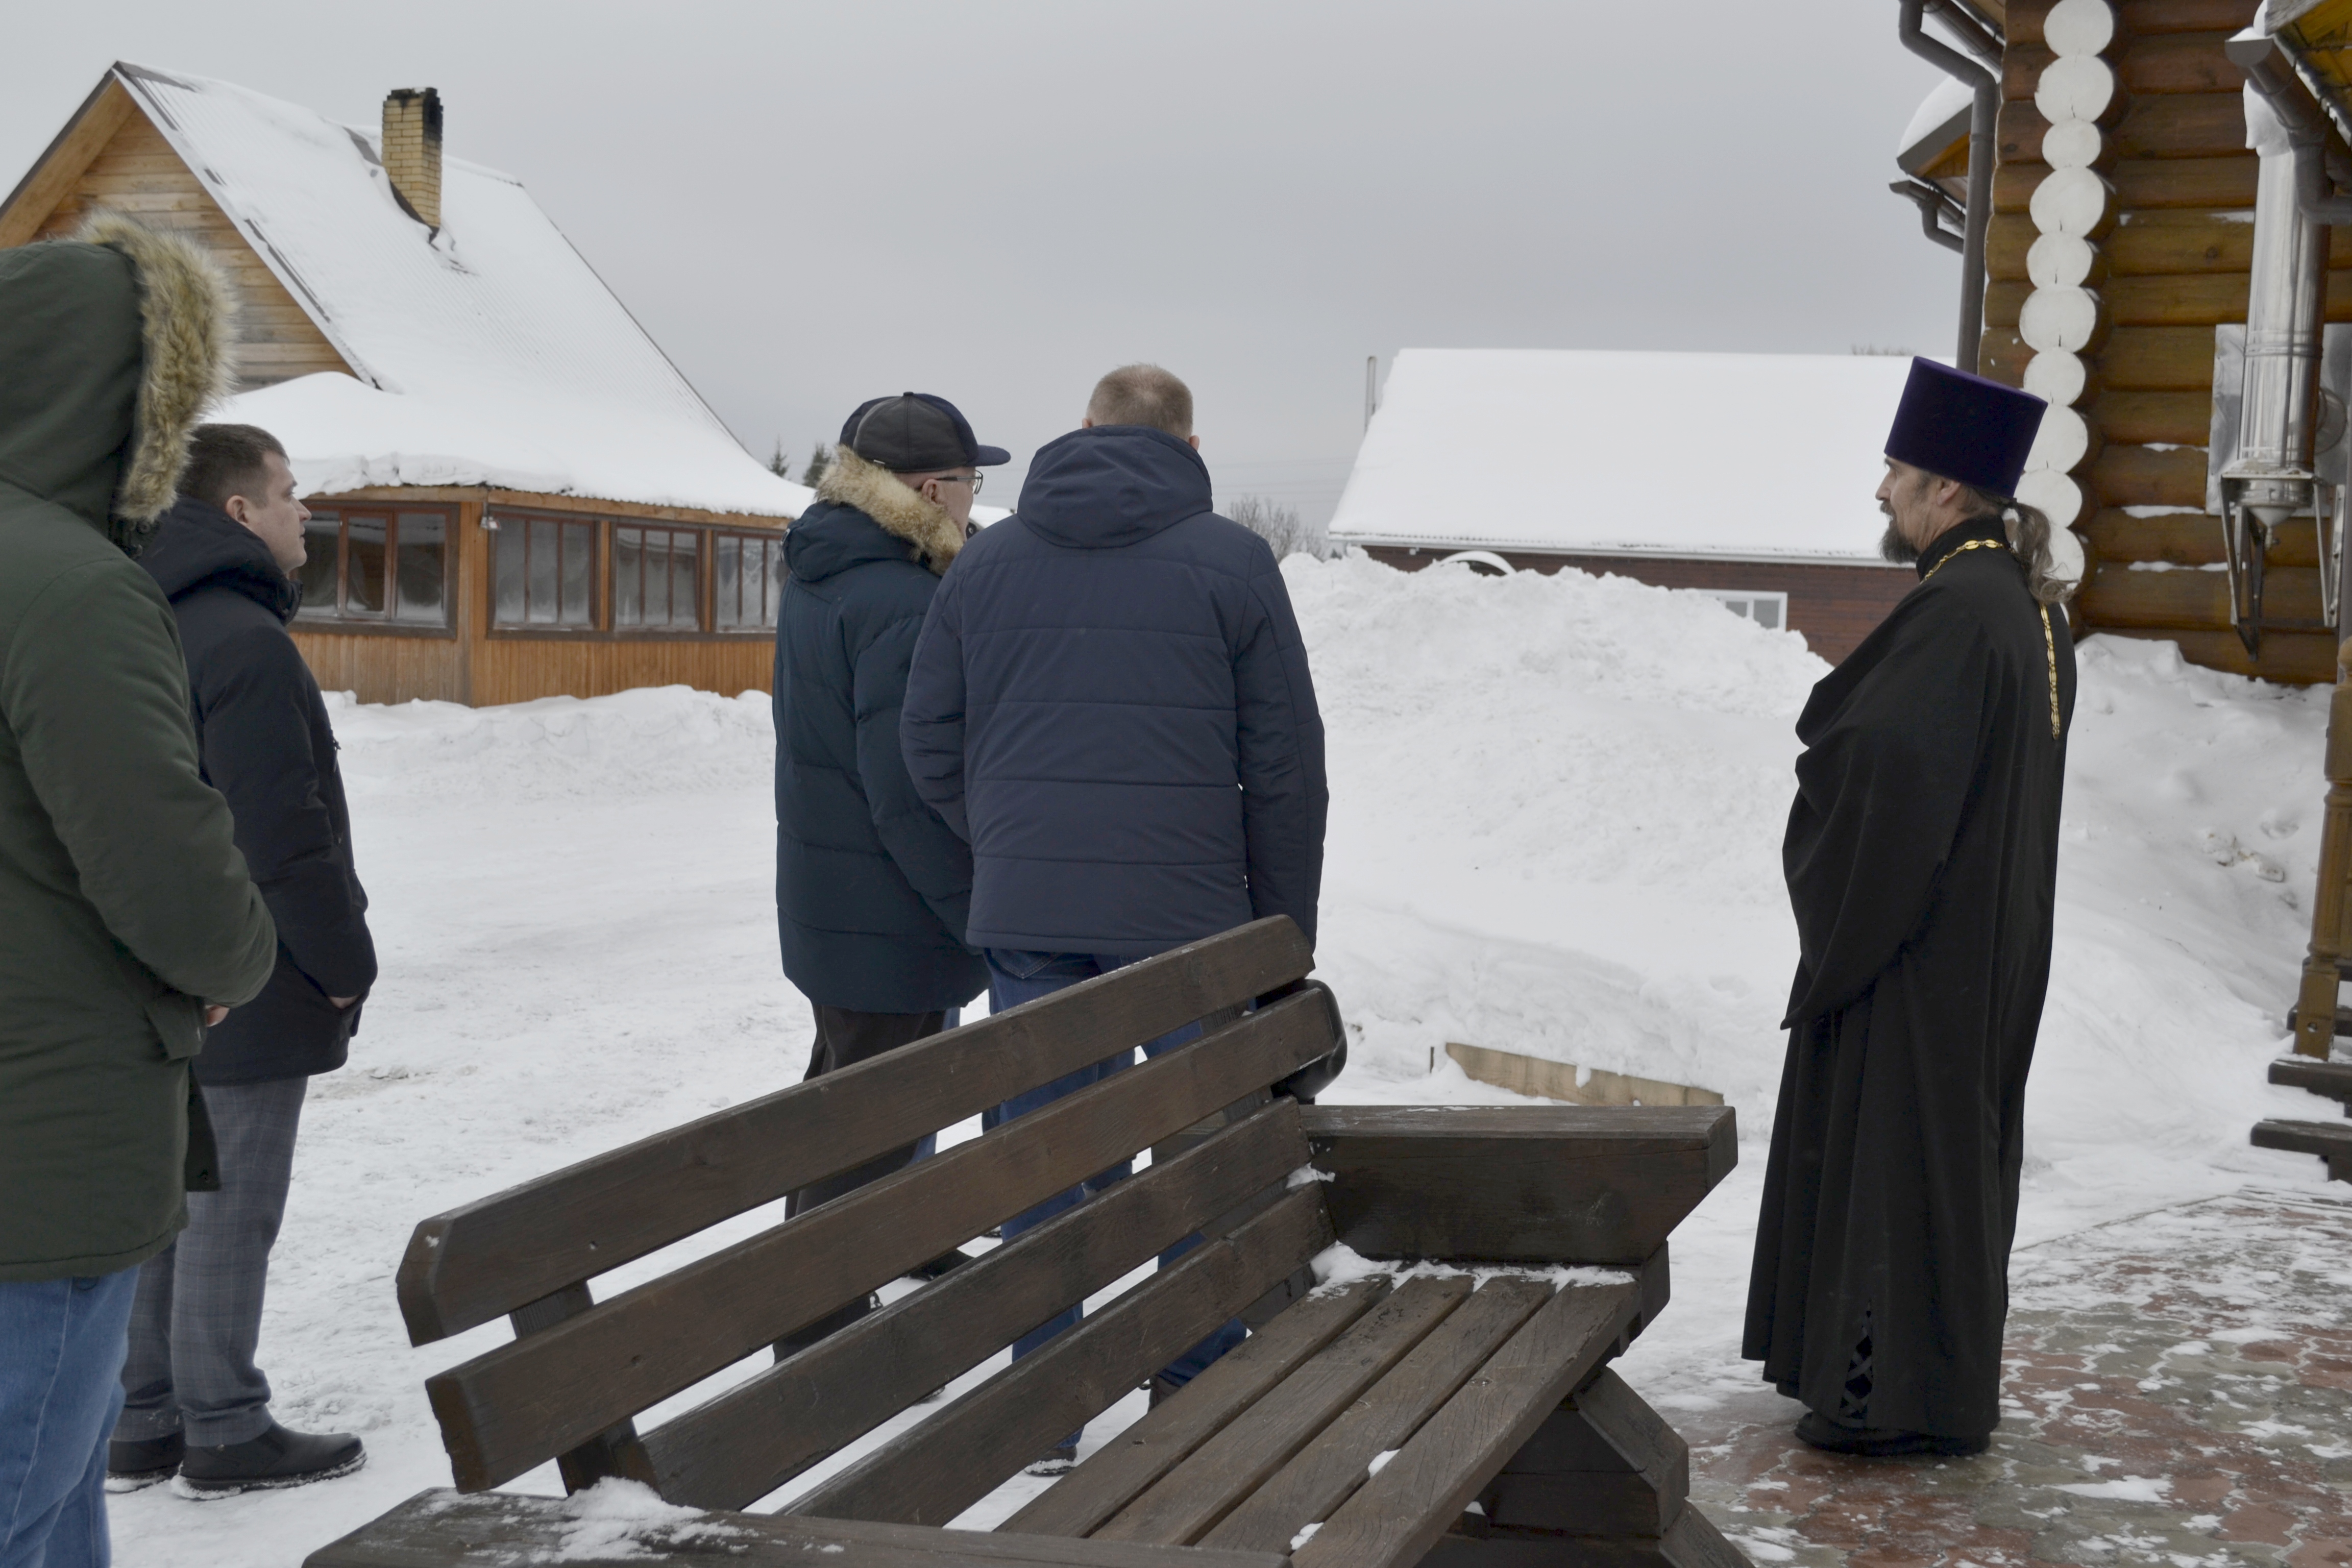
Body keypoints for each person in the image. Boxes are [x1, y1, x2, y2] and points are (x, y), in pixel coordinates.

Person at [901, 364, 1328, 1467]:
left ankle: (1046, 1402)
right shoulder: (1234, 564)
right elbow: (1286, 772)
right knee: (1195, 1150)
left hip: (1031, 914)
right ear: (1190, 446)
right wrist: (1281, 941)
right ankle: (1188, 1387)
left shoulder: (987, 561)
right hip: (1191, 927)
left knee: (1043, 1156)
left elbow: (927, 742)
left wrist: (1005, 844)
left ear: (1082, 431)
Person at [0, 215, 278, 1564]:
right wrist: (228, 962)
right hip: (40, 1149)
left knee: (54, 1505)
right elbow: (166, 863)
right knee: (26, 1484)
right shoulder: (69, 588)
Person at [1744, 357, 2077, 1459]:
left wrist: (1827, 817)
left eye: (1895, 471)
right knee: (1948, 1162)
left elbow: (1885, 768)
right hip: (1988, 939)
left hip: (1921, 948)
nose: (1880, 490)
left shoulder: (1953, 608)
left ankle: (1875, 1397)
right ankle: (1927, 1386)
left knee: (1898, 1158)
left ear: (1947, 492)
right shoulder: (2025, 605)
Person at [107, 424, 375, 1498]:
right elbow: (281, 830)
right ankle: (224, 1426)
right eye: (289, 494)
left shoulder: (141, 620)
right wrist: (343, 960)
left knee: (167, 1197)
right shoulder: (245, 641)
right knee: (230, 1206)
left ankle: (142, 1415)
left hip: (156, 952)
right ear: (238, 514)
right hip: (253, 961)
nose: (304, 513)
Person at [771, 394, 1004, 1355]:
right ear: (925, 489)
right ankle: (814, 1322)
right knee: (865, 1119)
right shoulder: (903, 602)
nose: (976, 500)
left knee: (847, 1099)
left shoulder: (832, 571)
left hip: (839, 900)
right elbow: (907, 790)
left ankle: (887, 1246)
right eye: (970, 482)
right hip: (889, 908)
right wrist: (971, 910)